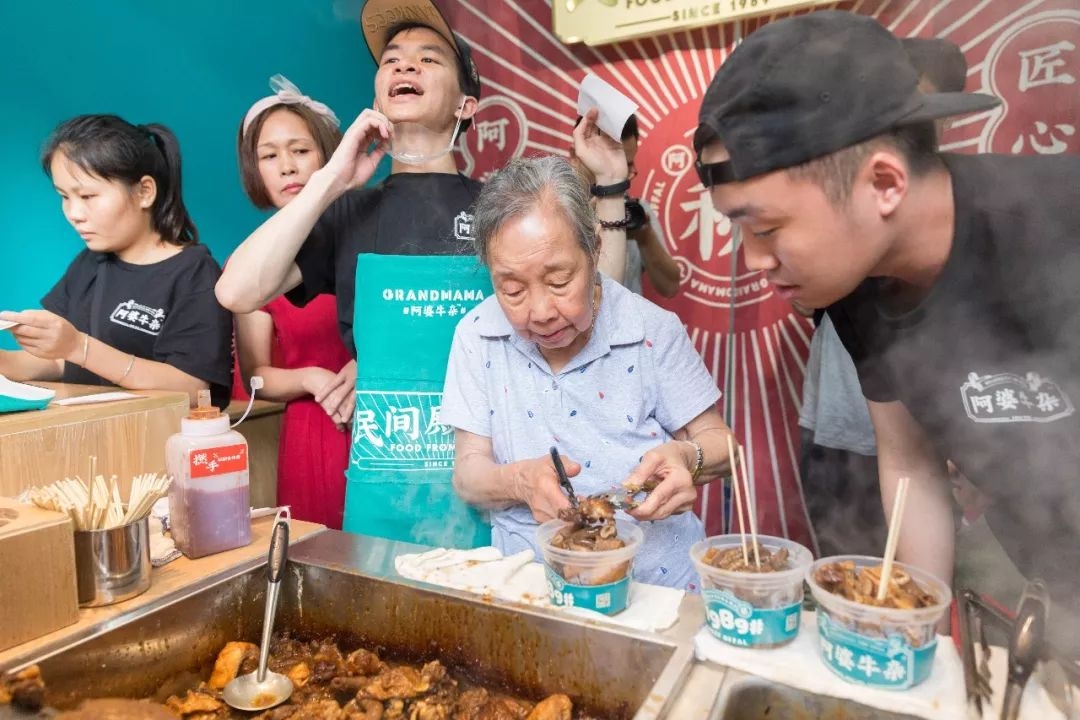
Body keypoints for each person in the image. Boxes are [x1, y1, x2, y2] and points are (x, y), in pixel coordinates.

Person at [694, 10, 1080, 627]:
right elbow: (909, 464)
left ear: (884, 182)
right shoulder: (857, 283)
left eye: (765, 228)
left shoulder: (1056, 224)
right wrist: (912, 627)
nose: (755, 260)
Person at [217, 0, 633, 547]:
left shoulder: (501, 207)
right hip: (384, 492)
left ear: (466, 105)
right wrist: (331, 179)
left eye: (427, 59)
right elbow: (237, 289)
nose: (404, 67)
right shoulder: (348, 212)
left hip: (497, 484)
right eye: (392, 60)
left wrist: (609, 185)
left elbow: (600, 306)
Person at [441, 155, 735, 588]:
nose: (540, 312)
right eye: (513, 289)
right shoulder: (476, 335)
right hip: (531, 587)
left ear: (595, 249)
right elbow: (468, 474)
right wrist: (520, 481)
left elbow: (723, 446)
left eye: (559, 281)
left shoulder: (650, 329)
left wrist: (689, 458)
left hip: (656, 582)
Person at [797, 36, 970, 558]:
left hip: (937, 435)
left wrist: (973, 441)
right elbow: (806, 304)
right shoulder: (839, 217)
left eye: (918, 105)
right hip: (838, 425)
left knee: (923, 569)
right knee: (847, 570)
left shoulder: (962, 214)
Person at [0, 114, 232, 408]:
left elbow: (191, 387)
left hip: (158, 442)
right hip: (93, 439)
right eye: (64, 196)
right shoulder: (88, 264)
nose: (74, 213)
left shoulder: (194, 272)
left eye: (87, 195)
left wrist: (78, 345)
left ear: (144, 191)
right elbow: (61, 362)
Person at [233, 75, 353, 528]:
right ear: (255, 171)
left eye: (300, 150)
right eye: (269, 155)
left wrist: (365, 366)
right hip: (313, 431)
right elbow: (255, 375)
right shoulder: (250, 269)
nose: (287, 166)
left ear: (329, 155)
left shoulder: (364, 237)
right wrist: (311, 378)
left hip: (387, 419)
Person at [572, 115, 681, 298]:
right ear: (576, 155)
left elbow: (670, 286)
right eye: (607, 162)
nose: (618, 173)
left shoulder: (634, 211)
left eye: (626, 164)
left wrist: (645, 238)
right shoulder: (555, 214)